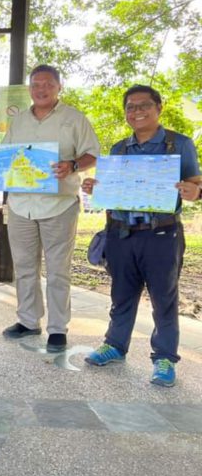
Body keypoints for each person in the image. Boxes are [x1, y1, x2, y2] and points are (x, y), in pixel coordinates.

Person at [82, 85, 201, 387]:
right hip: (121, 233)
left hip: (161, 233)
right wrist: (98, 188)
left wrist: (196, 192)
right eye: (130, 107)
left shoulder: (179, 145)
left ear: (159, 107)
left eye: (144, 105)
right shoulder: (119, 149)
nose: (137, 111)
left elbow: (195, 185)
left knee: (164, 298)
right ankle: (115, 345)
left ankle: (164, 358)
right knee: (121, 294)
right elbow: (114, 190)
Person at [1, 65, 99, 352]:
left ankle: (58, 329)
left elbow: (92, 153)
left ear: (59, 87)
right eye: (36, 84)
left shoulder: (74, 119)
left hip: (59, 205)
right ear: (29, 89)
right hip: (21, 205)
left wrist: (72, 165)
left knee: (58, 270)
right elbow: (6, 155)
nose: (41, 89)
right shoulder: (18, 120)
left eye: (48, 84)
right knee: (24, 267)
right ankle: (29, 321)